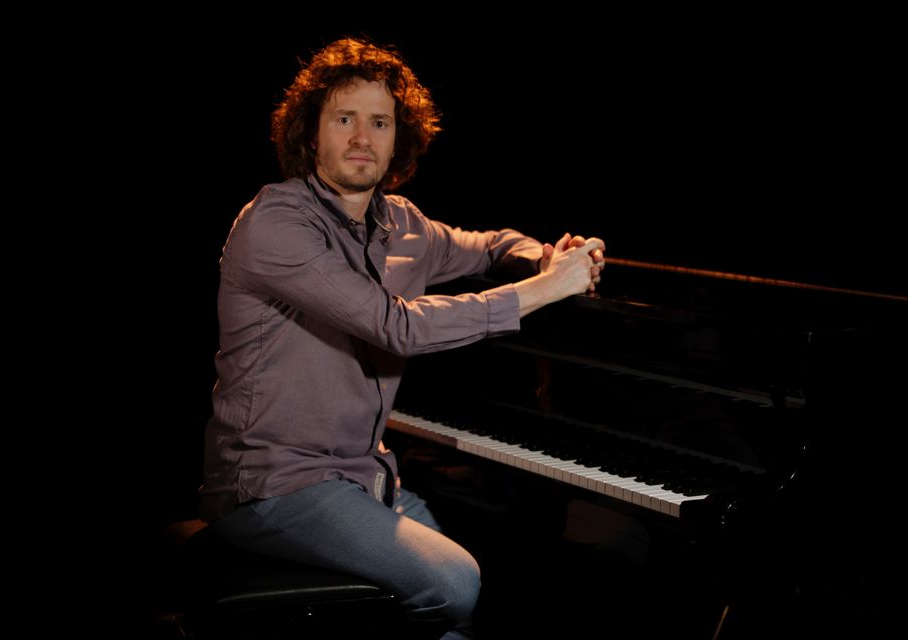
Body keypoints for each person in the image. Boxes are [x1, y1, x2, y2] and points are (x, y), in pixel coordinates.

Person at [198, 37, 605, 638]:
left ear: (398, 139)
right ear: (311, 133)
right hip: (272, 486)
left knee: (475, 605)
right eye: (344, 119)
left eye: (380, 122)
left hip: (366, 478)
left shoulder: (402, 223)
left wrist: (544, 257)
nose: (362, 138)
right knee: (454, 583)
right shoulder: (275, 223)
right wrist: (546, 289)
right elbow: (398, 327)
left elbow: (489, 246)